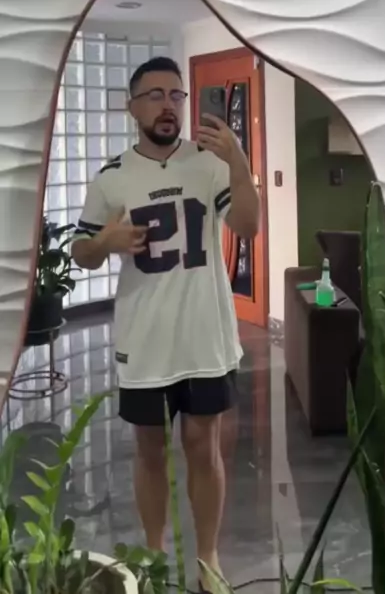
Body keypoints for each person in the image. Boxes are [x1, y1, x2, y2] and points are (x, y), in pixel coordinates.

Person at [71, 56, 260, 588]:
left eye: (176, 95)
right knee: (150, 451)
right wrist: (106, 242)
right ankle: (153, 555)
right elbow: (81, 252)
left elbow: (248, 225)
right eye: (154, 95)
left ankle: (208, 558)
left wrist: (239, 161)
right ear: (131, 107)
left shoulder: (209, 164)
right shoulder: (111, 178)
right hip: (145, 339)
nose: (168, 105)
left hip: (205, 336)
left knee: (205, 447)